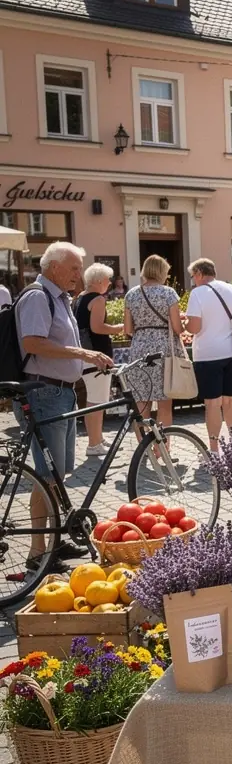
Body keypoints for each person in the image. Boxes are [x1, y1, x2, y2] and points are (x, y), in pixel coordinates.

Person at [14, 242, 113, 568]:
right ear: (53, 267)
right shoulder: (37, 297)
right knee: (47, 476)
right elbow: (33, 342)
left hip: (61, 393)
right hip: (45, 394)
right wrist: (82, 354)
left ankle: (54, 543)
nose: (78, 274)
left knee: (58, 474)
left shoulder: (60, 299)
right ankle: (38, 552)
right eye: (73, 268)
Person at [185, 258, 232, 452]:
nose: (193, 280)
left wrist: (185, 323)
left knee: (212, 403)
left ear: (199, 273)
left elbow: (195, 327)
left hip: (207, 354)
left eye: (192, 276)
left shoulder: (197, 294)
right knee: (229, 400)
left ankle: (213, 449)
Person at [122, 255, 186, 434]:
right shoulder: (168, 293)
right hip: (163, 349)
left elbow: (127, 329)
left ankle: (144, 449)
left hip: (139, 349)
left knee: (142, 404)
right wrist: (184, 324)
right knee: (165, 402)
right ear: (161, 272)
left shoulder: (131, 294)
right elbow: (177, 328)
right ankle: (162, 449)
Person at [74, 262, 124, 455]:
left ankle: (98, 438)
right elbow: (97, 328)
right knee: (97, 401)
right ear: (100, 281)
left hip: (85, 353)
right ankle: (94, 444)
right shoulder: (98, 299)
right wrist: (118, 328)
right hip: (97, 354)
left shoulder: (79, 298)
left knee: (94, 399)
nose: (110, 283)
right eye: (108, 280)